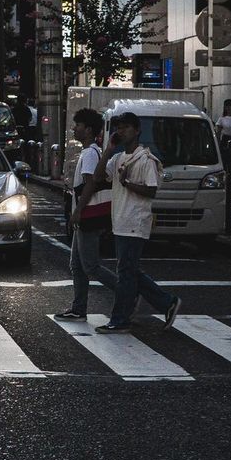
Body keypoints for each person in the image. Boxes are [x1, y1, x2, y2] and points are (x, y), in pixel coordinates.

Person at [91, 112, 182, 332]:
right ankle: (166, 302)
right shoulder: (119, 158)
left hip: (135, 221)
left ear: (137, 130)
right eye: (119, 128)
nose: (121, 132)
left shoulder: (145, 160)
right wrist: (109, 149)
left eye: (126, 128)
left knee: (126, 272)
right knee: (128, 270)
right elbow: (97, 176)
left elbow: (151, 190)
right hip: (120, 221)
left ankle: (121, 318)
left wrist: (128, 183)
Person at [54, 109, 116, 321]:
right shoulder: (91, 151)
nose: (74, 129)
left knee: (90, 266)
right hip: (86, 214)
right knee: (77, 265)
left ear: (88, 130)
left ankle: (128, 294)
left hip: (88, 215)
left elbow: (91, 183)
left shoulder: (90, 153)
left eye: (77, 125)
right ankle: (78, 308)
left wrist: (78, 211)